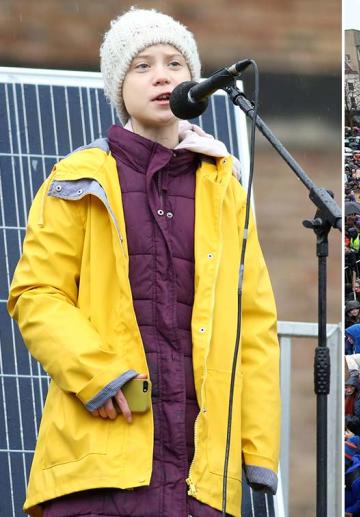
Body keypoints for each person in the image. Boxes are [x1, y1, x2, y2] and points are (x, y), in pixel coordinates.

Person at [7, 9, 281, 515]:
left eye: (176, 63)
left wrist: (256, 448)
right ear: (119, 86)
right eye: (143, 65)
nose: (163, 75)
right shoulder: (79, 179)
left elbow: (255, 324)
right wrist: (97, 374)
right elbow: (36, 294)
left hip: (201, 475)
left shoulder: (225, 188)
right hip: (99, 461)